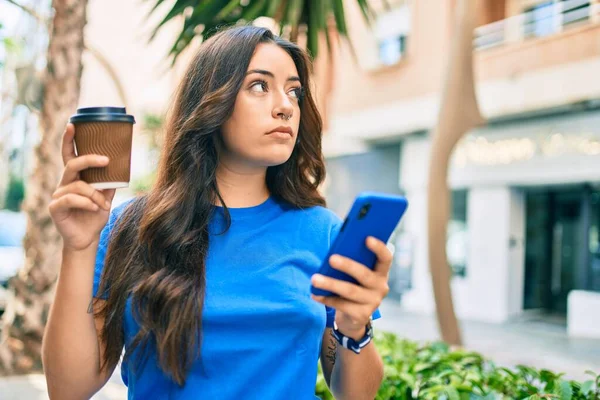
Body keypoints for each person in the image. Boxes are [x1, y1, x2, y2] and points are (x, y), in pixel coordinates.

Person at [42, 25, 392, 400]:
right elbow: (68, 390)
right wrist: (78, 248)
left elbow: (356, 395)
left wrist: (355, 327)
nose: (286, 105)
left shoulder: (322, 231)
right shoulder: (132, 227)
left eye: (294, 91)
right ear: (211, 101)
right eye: (260, 86)